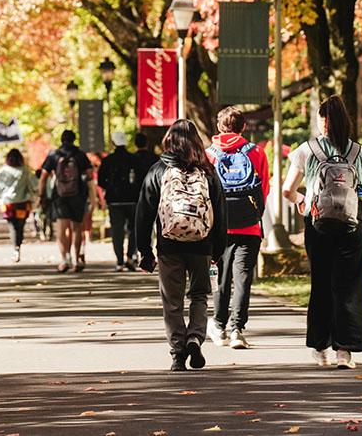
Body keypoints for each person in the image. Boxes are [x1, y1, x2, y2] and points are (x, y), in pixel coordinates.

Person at [282, 95, 362, 370]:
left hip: (318, 224)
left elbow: (288, 190)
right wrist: (358, 216)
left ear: (322, 121)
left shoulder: (307, 150)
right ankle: (345, 352)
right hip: (352, 227)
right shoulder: (359, 152)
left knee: (321, 284)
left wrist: (303, 202)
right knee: (348, 287)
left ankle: (320, 346)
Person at [136, 119, 227, 371]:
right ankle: (195, 338)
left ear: (169, 141)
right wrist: (218, 250)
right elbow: (220, 213)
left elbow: (143, 213)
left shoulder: (157, 171)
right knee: (199, 295)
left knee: (172, 301)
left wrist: (144, 250)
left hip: (169, 245)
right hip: (201, 244)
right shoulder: (208, 173)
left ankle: (177, 353)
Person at [206, 105, 269, 350]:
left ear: (219, 127)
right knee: (243, 278)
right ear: (243, 127)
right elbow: (264, 189)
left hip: (219, 227)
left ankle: (219, 326)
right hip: (249, 226)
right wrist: (255, 214)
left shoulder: (208, 154)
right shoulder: (256, 153)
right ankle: (237, 330)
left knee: (221, 278)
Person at [39, 130, 95, 273]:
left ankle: (65, 259)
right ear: (74, 140)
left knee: (62, 229)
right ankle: (77, 260)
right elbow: (89, 175)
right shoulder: (80, 155)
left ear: (62, 140)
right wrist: (92, 197)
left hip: (59, 196)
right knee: (77, 228)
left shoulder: (54, 155)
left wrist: (42, 195)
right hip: (78, 195)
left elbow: (43, 176)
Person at [98, 130, 142, 270]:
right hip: (133, 199)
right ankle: (131, 256)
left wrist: (110, 188)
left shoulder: (107, 160)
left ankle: (119, 261)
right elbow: (141, 179)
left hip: (114, 200)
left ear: (113, 143)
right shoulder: (134, 159)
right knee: (134, 229)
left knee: (117, 231)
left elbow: (100, 181)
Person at [0, 148, 38, 262]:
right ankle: (18, 246)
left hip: (8, 203)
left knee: (12, 226)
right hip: (23, 203)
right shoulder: (25, 171)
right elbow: (35, 185)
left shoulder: (3, 171)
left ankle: (15, 248)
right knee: (20, 226)